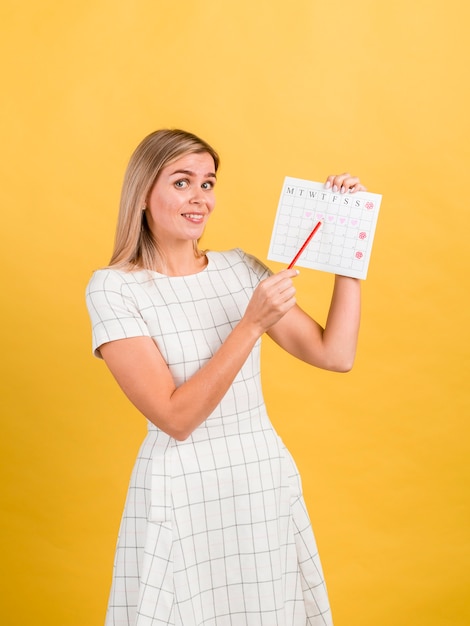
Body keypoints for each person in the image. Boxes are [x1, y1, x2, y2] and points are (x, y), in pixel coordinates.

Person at [85, 128, 365, 626]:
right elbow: (175, 417)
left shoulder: (240, 270)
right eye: (181, 182)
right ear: (144, 194)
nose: (199, 198)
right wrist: (251, 323)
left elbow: (335, 354)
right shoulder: (114, 289)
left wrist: (349, 249)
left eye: (208, 184)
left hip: (260, 479)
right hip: (182, 487)